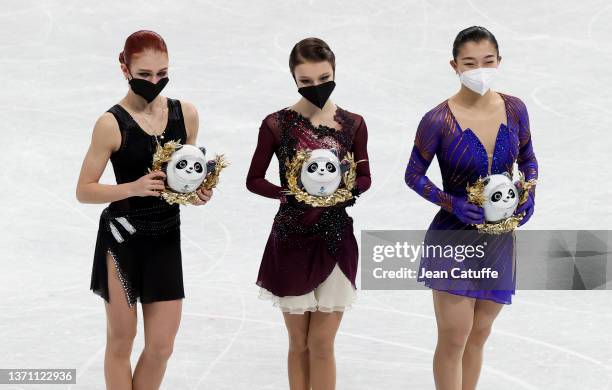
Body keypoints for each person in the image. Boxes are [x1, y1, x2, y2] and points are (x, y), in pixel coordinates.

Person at [75, 30, 213, 390]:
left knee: (162, 346)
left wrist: (197, 192)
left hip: (165, 237)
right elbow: (84, 190)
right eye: (144, 75)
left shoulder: (187, 115)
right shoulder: (111, 123)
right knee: (122, 340)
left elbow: (187, 174)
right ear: (124, 68)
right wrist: (131, 188)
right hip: (121, 240)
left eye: (161, 74)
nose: (154, 82)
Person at [404, 26, 538, 390]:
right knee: (454, 337)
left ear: (499, 61)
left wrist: (529, 196)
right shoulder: (438, 120)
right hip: (453, 236)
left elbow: (528, 159)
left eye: (487, 61)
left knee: (479, 333)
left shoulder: (515, 108)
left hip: (498, 240)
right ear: (454, 65)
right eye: (469, 62)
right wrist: (454, 203)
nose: (480, 68)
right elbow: (413, 175)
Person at [246, 37, 371, 390]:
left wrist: (344, 192)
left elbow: (365, 175)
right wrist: (289, 195)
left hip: (335, 238)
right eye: (306, 82)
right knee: (299, 343)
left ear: (334, 72)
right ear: (294, 79)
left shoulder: (353, 124)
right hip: (291, 239)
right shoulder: (277, 124)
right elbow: (254, 179)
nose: (316, 87)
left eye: (323, 78)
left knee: (321, 343)